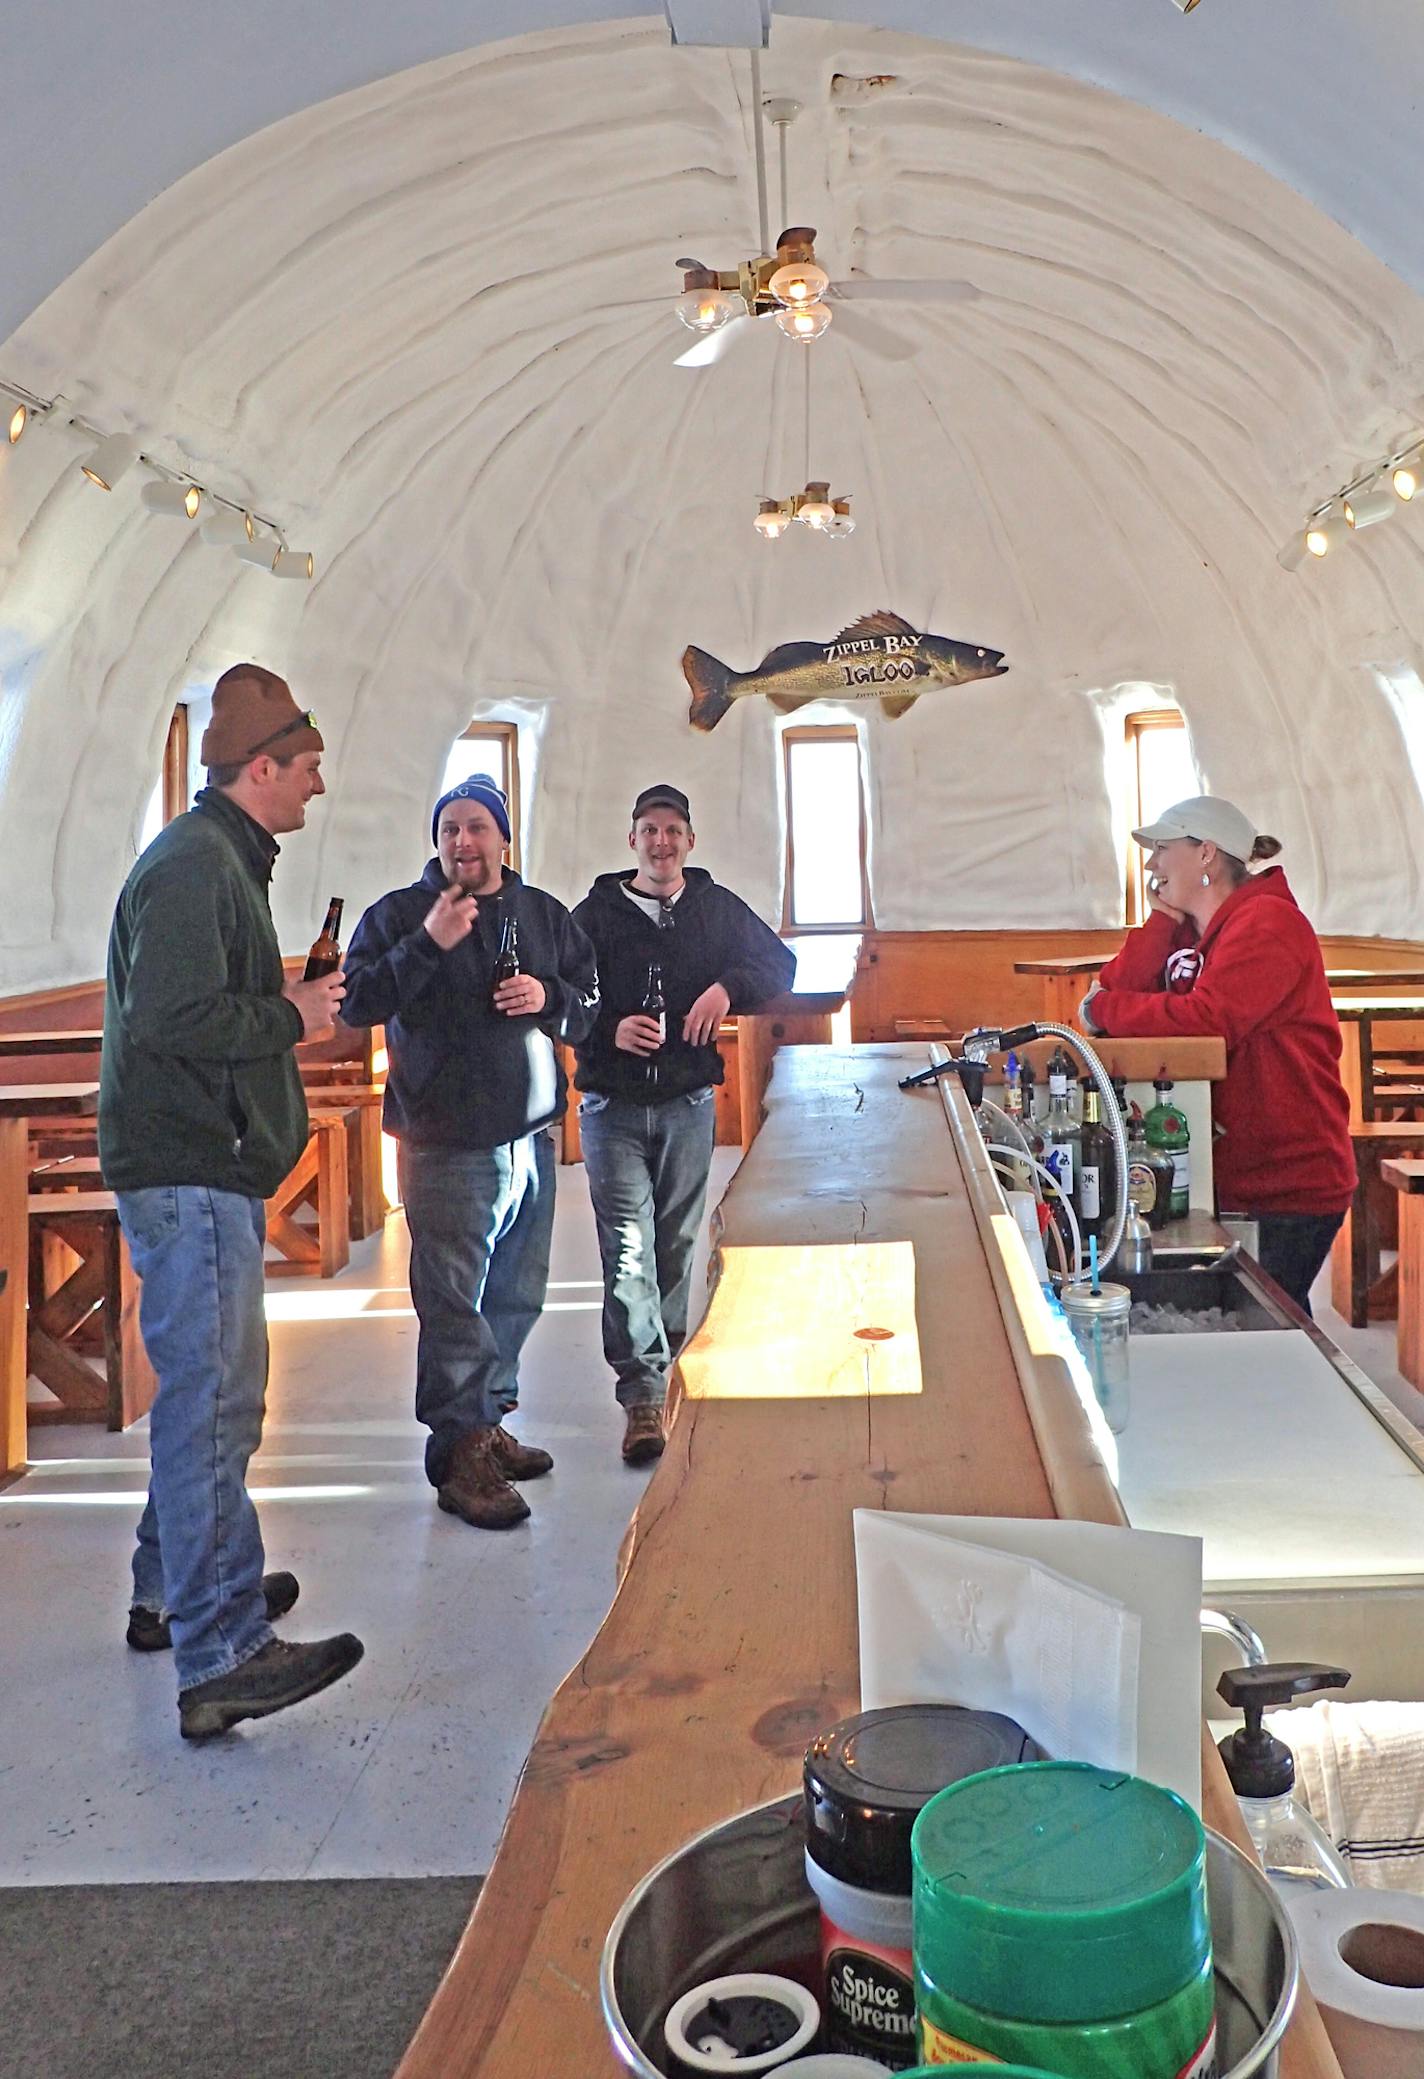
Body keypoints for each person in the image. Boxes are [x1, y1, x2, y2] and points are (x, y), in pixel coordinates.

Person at [100, 664, 365, 1740]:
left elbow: (197, 1003)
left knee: (209, 1395)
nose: (316, 785)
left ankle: (173, 1592)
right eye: (304, 768)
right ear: (257, 769)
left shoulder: (219, 860)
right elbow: (171, 1020)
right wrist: (292, 1017)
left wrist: (281, 1001)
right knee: (214, 1401)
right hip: (187, 1163)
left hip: (202, 1158)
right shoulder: (192, 868)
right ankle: (223, 1650)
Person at [341, 775, 598, 1530]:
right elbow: (356, 1003)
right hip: (446, 1144)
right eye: (450, 827)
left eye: (478, 827)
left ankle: (487, 1424)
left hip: (531, 1138)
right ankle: (458, 1456)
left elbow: (592, 1006)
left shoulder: (544, 914)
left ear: (503, 838)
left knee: (516, 1293)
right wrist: (429, 945)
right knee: (454, 1304)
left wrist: (547, 1000)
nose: (463, 841)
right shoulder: (396, 915)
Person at [572, 784, 795, 1464]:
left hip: (688, 1104)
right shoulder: (595, 914)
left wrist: (727, 986)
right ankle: (641, 1390)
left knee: (675, 1243)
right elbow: (564, 997)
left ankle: (662, 1364)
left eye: (673, 830)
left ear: (690, 841)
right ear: (632, 839)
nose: (661, 842)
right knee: (627, 1249)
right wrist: (611, 1027)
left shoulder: (715, 908)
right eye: (649, 829)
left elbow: (779, 963)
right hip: (611, 1107)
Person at [1081, 795, 1355, 1314]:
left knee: (1272, 1325)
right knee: (1242, 1320)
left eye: (1163, 848)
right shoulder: (1195, 930)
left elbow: (1209, 1022)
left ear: (1206, 853)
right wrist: (1161, 921)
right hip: (1227, 1173)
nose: (1151, 863)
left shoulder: (1270, 923)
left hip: (1285, 1180)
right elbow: (1112, 988)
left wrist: (1109, 1009)